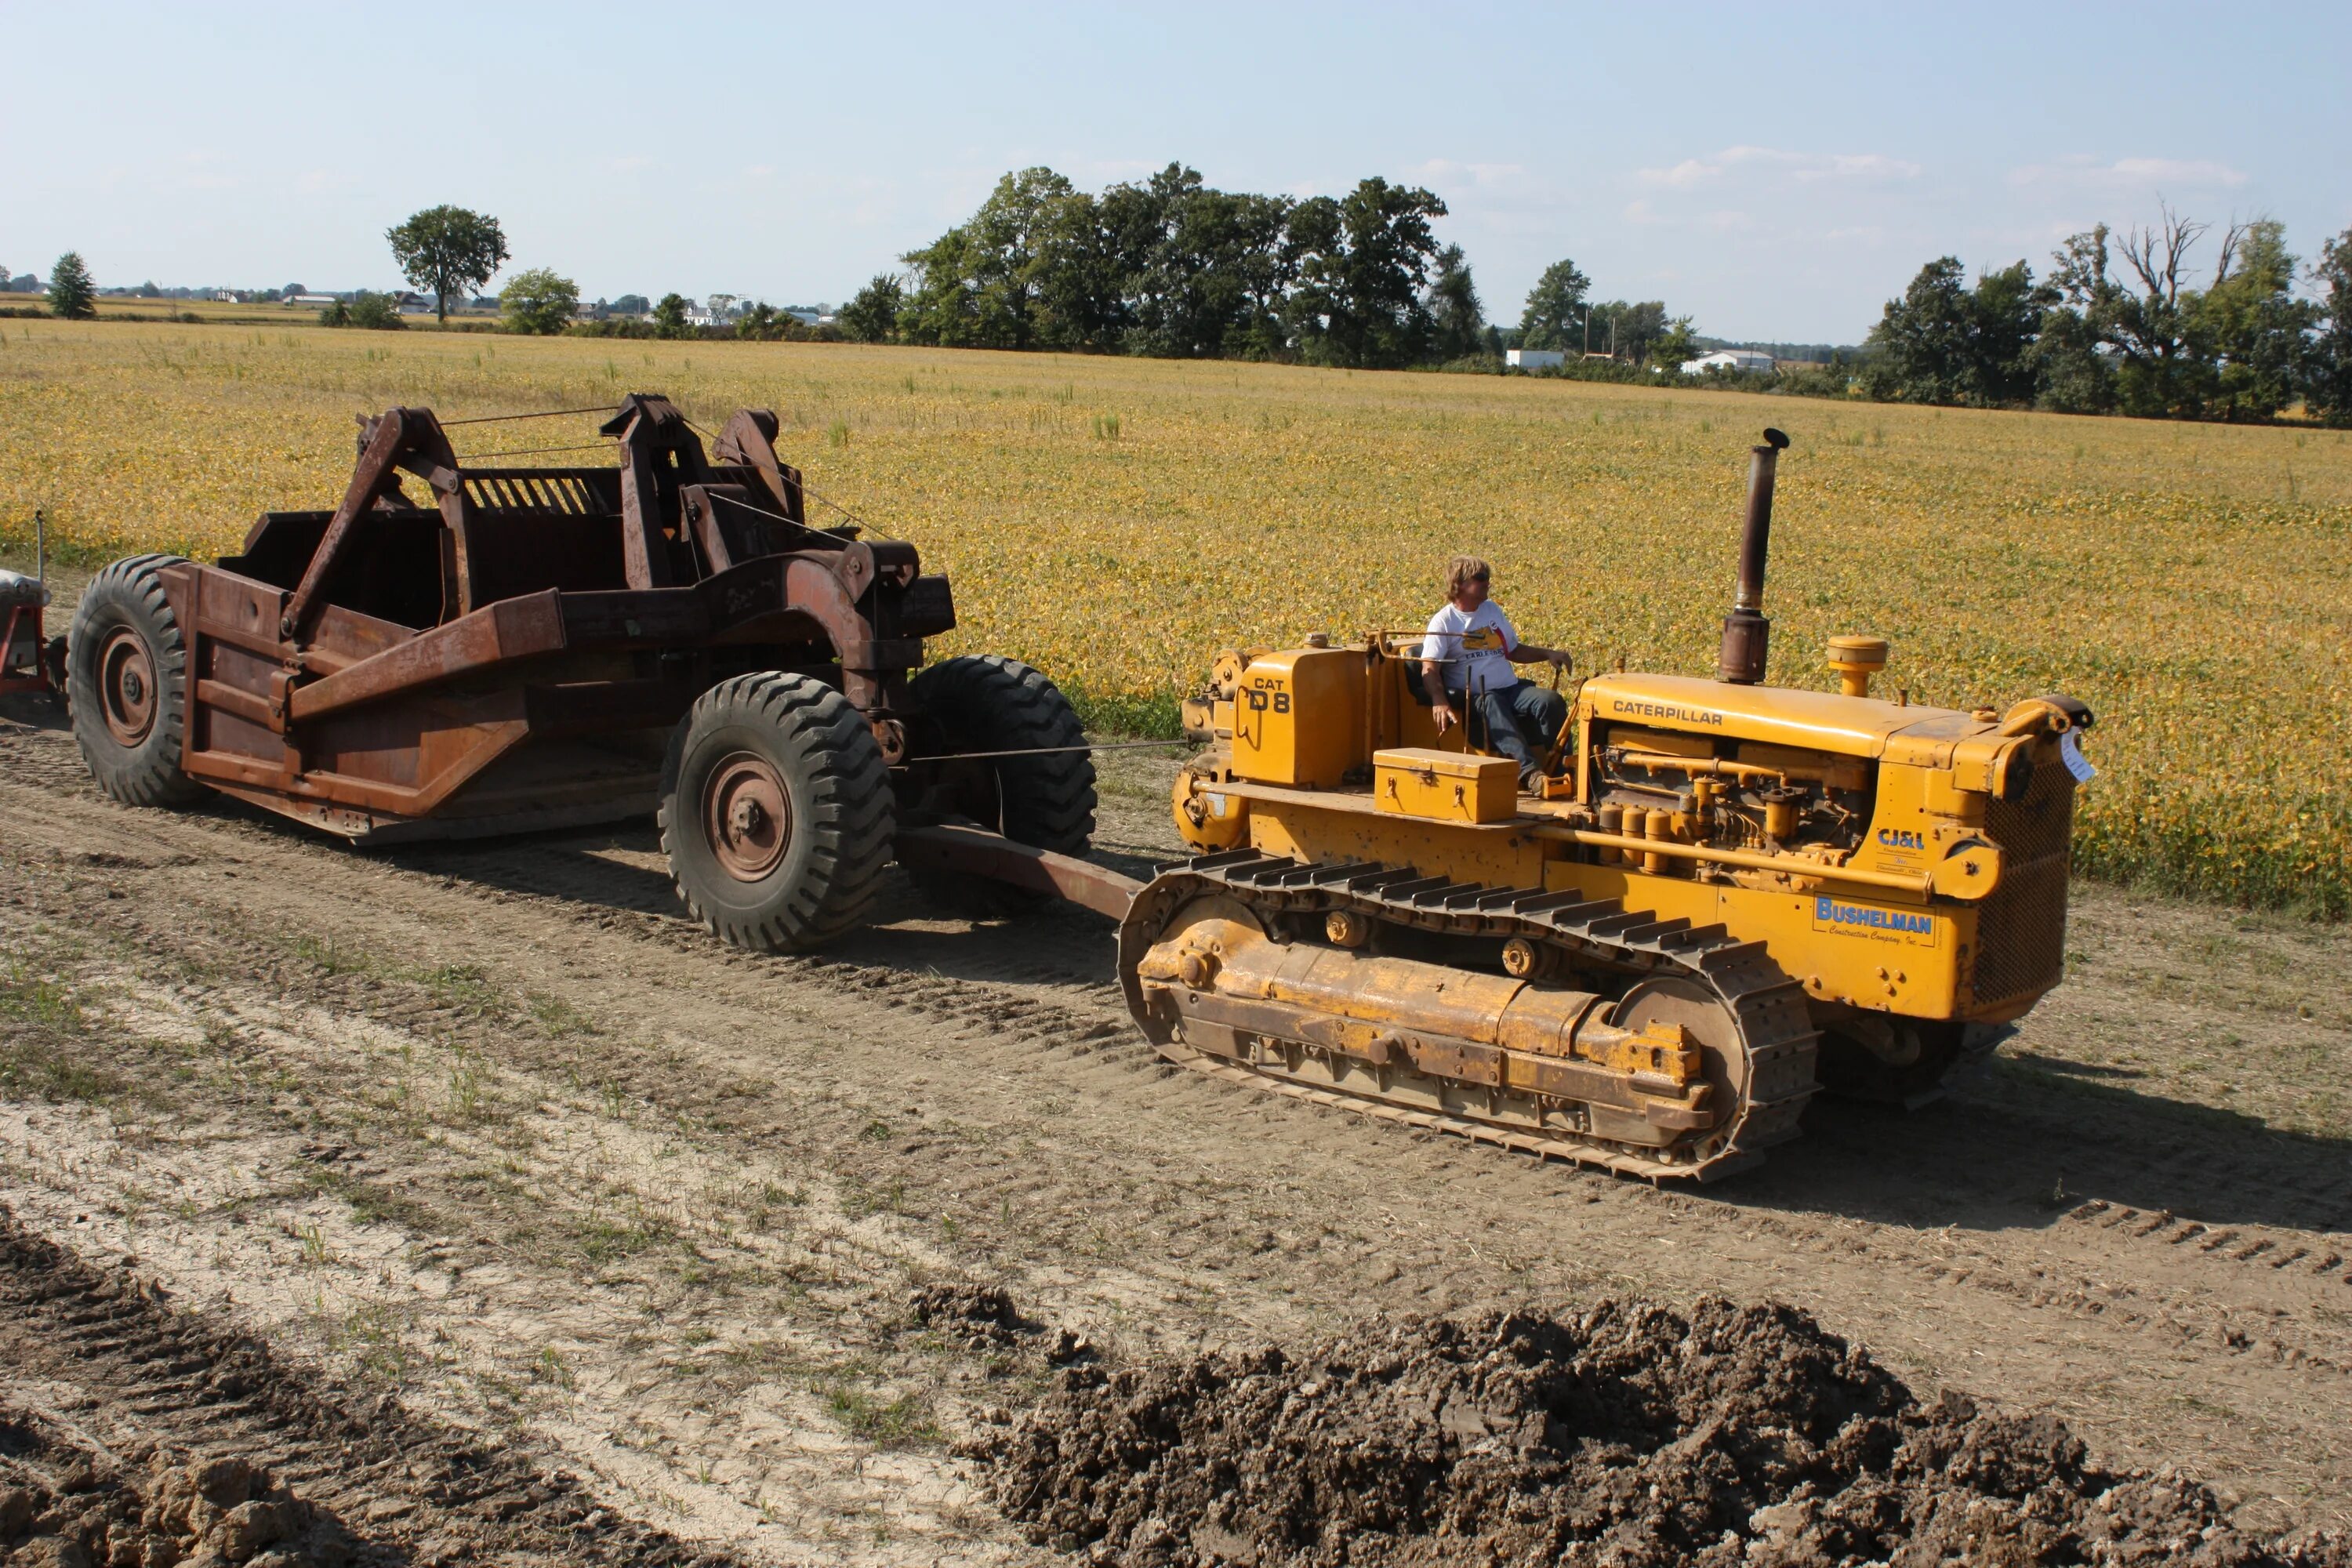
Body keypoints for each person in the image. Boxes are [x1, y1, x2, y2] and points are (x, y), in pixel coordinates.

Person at [1420, 555, 1571, 790]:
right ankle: (1530, 774)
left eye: (1488, 577)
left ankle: (1564, 771)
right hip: (1477, 697)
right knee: (1492, 702)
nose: (1487, 582)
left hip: (1510, 688)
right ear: (1459, 583)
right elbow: (1429, 669)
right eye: (1480, 578)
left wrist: (1549, 654)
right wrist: (1439, 701)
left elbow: (1513, 651)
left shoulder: (1491, 610)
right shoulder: (1444, 622)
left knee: (1550, 701)